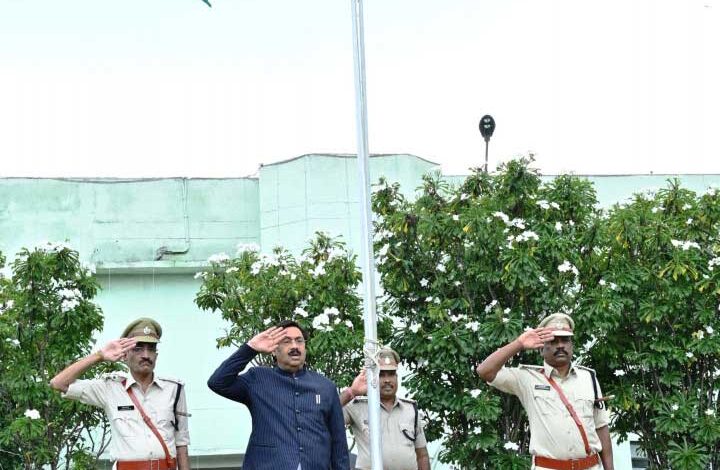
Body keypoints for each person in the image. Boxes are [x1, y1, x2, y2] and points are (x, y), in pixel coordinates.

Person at [475, 313, 614, 470]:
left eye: (565, 340)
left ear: (572, 345)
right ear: (541, 349)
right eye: (553, 341)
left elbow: (601, 427)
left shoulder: (588, 378)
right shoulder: (527, 378)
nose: (560, 345)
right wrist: (519, 344)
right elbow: (484, 371)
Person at [50, 318, 190, 470]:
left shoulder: (174, 389)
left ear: (156, 355)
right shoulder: (110, 388)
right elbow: (58, 383)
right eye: (138, 348)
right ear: (125, 355)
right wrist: (99, 356)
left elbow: (181, 443)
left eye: (151, 348)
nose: (146, 355)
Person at [207, 320, 350, 470]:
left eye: (299, 341)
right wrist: (250, 348)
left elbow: (339, 442)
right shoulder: (258, 379)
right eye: (286, 341)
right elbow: (217, 382)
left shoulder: (325, 386)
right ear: (274, 350)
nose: (295, 346)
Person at [340, 348, 430, 470]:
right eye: (381, 375)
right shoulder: (357, 406)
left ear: (396, 376)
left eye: (391, 374)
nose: (387, 380)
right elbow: (325, 415)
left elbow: (422, 456)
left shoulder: (410, 409)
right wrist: (351, 392)